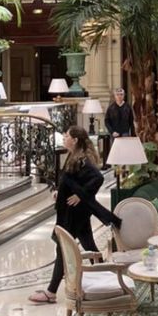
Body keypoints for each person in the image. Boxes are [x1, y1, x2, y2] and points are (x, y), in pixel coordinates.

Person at [29, 126, 120, 303]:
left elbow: (97, 178)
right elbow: (70, 181)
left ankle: (51, 292)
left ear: (76, 140)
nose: (64, 138)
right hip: (74, 212)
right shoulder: (74, 156)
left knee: (63, 249)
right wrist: (60, 192)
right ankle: (107, 279)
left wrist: (81, 195)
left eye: (67, 136)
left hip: (73, 214)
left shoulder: (82, 159)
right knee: (88, 245)